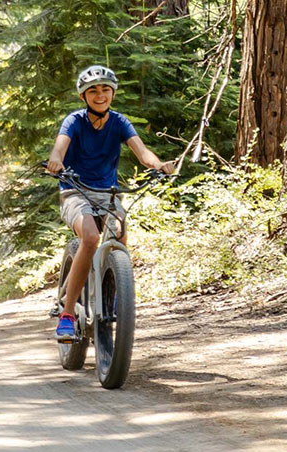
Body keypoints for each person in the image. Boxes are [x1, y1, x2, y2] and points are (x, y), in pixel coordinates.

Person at [46, 65, 175, 340]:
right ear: (83, 96)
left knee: (119, 232)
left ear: (113, 93)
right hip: (75, 191)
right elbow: (59, 148)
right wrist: (55, 161)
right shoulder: (74, 121)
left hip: (108, 192)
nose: (100, 95)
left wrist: (159, 165)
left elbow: (142, 153)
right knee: (91, 237)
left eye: (105, 90)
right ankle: (67, 314)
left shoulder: (119, 122)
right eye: (93, 91)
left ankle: (117, 295)